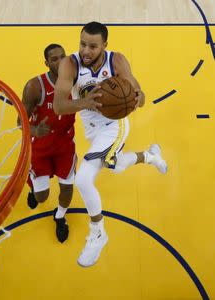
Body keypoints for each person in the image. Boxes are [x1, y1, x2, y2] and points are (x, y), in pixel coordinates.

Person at [52, 22, 168, 266]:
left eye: (93, 46)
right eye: (83, 44)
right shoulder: (69, 64)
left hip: (115, 126)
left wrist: (137, 97)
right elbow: (59, 106)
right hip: (92, 130)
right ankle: (150, 156)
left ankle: (98, 232)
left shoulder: (117, 61)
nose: (86, 50)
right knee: (114, 166)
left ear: (105, 45)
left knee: (83, 178)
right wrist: (86, 103)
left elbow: (141, 96)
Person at [19, 44, 77, 243]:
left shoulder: (76, 80)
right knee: (42, 196)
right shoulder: (34, 86)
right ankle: (33, 186)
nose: (60, 61)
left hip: (65, 145)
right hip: (41, 146)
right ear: (46, 63)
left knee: (67, 189)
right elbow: (20, 122)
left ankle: (60, 216)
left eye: (63, 56)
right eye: (54, 59)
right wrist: (35, 130)